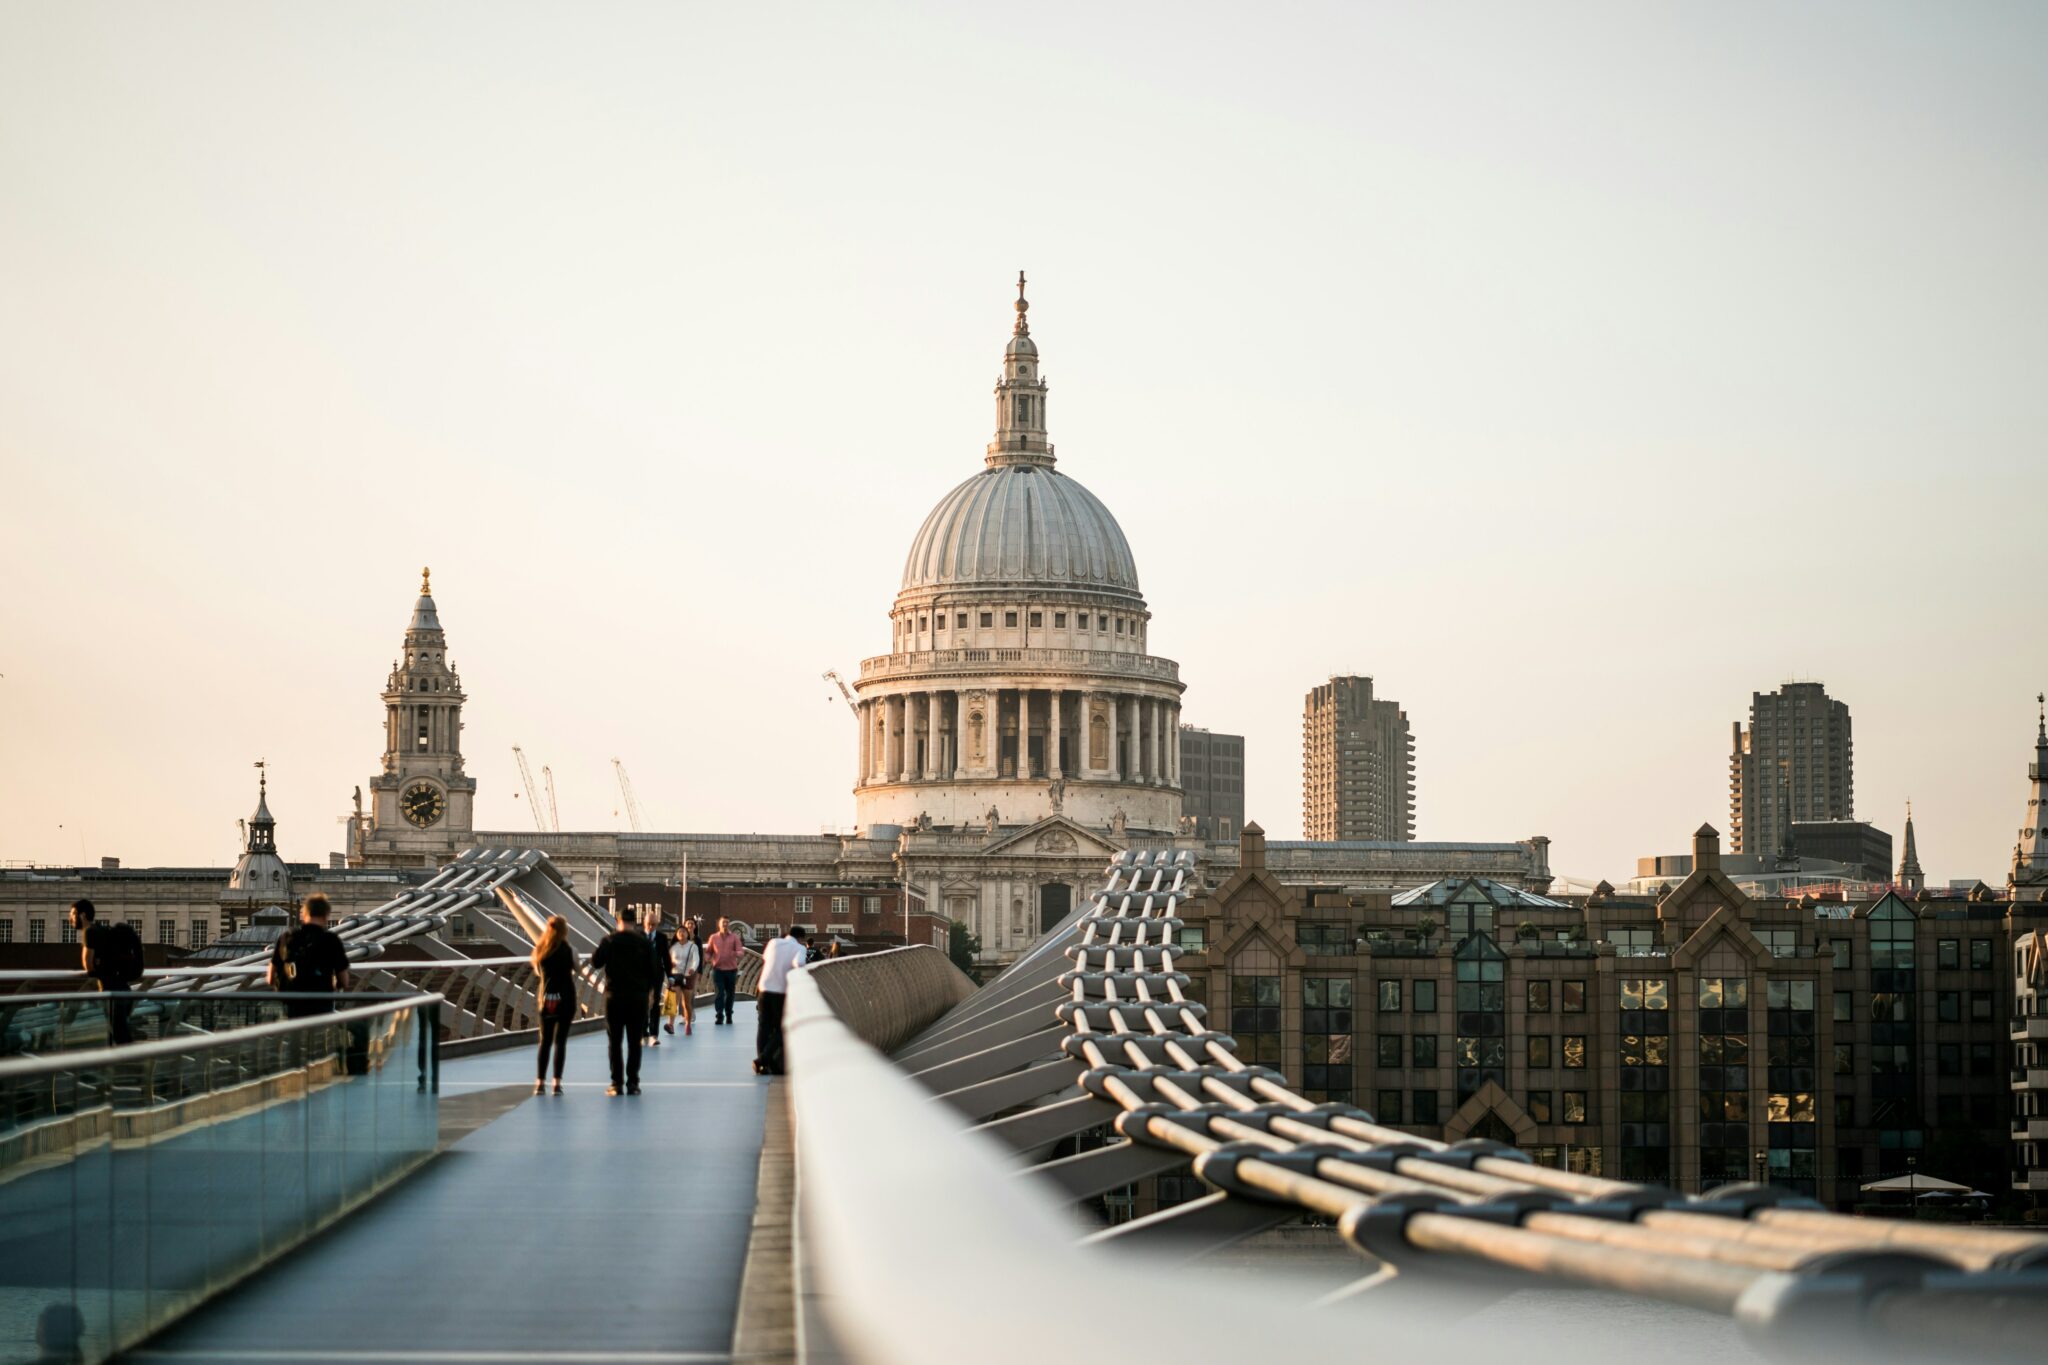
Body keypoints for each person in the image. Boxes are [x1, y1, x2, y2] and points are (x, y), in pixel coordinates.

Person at [590, 904, 657, 1096]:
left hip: (615, 996)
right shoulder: (644, 943)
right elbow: (654, 971)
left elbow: (596, 962)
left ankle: (616, 1083)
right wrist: (651, 994)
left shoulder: (609, 941)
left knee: (615, 1041)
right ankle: (633, 1084)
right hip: (638, 997)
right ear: (634, 923)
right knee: (635, 1041)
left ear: (618, 922)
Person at [266, 893, 352, 1018]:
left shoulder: (287, 937)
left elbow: (270, 978)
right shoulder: (331, 940)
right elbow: (344, 981)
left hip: (292, 1006)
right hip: (321, 1005)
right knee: (357, 1028)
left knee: (294, 1035)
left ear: (304, 915)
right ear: (326, 916)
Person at [72, 898, 143, 1045]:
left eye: (73, 914)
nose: (70, 918)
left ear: (82, 915)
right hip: (125, 989)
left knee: (121, 1038)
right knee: (120, 1035)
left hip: (111, 992)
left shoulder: (90, 932)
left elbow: (88, 965)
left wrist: (97, 966)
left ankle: (133, 1065)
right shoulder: (104, 930)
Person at [530, 914, 576, 1096]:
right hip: (566, 999)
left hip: (547, 999)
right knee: (561, 1042)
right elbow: (578, 968)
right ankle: (557, 1083)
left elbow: (538, 972)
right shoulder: (570, 950)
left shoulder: (540, 950)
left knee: (545, 1041)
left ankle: (540, 1083)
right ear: (565, 931)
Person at [754, 924, 809, 1076]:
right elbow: (799, 964)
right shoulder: (799, 948)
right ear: (800, 938)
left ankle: (762, 1064)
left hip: (764, 987)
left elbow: (765, 958)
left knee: (763, 1027)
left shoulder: (773, 942)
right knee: (782, 1028)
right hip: (780, 991)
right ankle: (763, 1060)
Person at [642, 909, 672, 1047]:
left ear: (657, 924)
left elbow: (666, 958)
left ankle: (654, 1035)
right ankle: (643, 1033)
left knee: (654, 1003)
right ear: (644, 923)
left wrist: (670, 975)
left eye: (653, 924)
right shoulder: (638, 936)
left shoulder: (661, 938)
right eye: (649, 923)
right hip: (641, 976)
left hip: (656, 975)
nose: (651, 926)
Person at [668, 917, 702, 1036]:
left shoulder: (693, 946)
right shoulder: (673, 947)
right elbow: (667, 960)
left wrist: (693, 968)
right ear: (676, 934)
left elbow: (696, 959)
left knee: (686, 1002)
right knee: (674, 1000)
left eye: (684, 932)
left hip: (688, 976)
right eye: (679, 932)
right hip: (676, 975)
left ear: (687, 934)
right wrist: (669, 966)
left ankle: (688, 1023)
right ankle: (671, 1024)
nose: (682, 934)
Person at [707, 916, 743, 1025]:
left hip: (731, 970)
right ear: (719, 924)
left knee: (730, 994)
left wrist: (736, 953)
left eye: (727, 922)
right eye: (723, 922)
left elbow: (741, 951)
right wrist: (707, 958)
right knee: (719, 993)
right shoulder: (713, 937)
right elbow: (708, 951)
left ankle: (729, 1014)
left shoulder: (734, 937)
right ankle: (719, 1015)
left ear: (729, 924)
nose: (725, 924)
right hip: (718, 969)